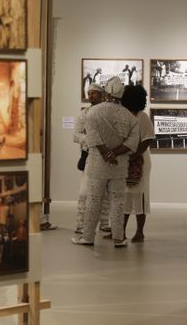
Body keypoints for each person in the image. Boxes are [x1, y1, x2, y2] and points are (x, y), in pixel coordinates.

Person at [71, 76, 139, 247]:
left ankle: (87, 237)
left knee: (94, 199)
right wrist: (114, 154)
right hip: (119, 165)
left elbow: (92, 136)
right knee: (117, 201)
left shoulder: (94, 112)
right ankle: (118, 238)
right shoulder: (129, 116)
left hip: (97, 164)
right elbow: (132, 141)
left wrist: (106, 153)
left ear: (106, 92)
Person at [73, 83, 111, 235]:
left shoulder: (108, 113)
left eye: (94, 93)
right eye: (89, 94)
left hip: (106, 155)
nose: (91, 96)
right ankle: (81, 224)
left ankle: (104, 223)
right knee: (85, 191)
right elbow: (76, 135)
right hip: (90, 155)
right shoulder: (85, 113)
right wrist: (91, 141)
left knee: (106, 192)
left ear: (102, 95)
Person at [121, 85, 155, 243]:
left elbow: (148, 139)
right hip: (125, 159)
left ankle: (140, 232)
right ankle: (120, 230)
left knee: (139, 193)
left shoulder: (142, 117)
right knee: (124, 194)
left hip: (140, 160)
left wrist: (135, 155)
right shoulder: (123, 114)